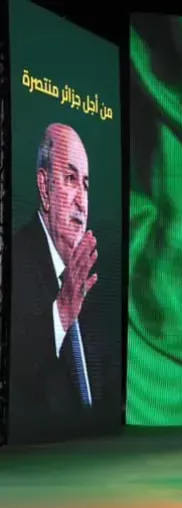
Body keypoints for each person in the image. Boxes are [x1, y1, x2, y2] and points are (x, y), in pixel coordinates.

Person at [8, 123, 104, 445]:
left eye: (86, 185)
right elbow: (17, 369)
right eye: (71, 179)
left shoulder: (87, 280)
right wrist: (62, 310)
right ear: (44, 187)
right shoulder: (14, 260)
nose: (81, 201)